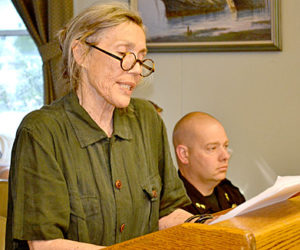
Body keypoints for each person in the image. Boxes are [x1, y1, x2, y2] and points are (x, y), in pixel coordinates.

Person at [5, 3, 210, 249]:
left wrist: (212, 228)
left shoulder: (147, 119)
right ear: (81, 53)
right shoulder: (41, 131)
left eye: (142, 58)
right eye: (124, 54)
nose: (136, 70)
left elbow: (166, 213)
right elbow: (45, 244)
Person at [173, 112, 245, 215]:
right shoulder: (173, 208)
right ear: (184, 154)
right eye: (212, 148)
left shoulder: (231, 193)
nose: (225, 156)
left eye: (225, 146)